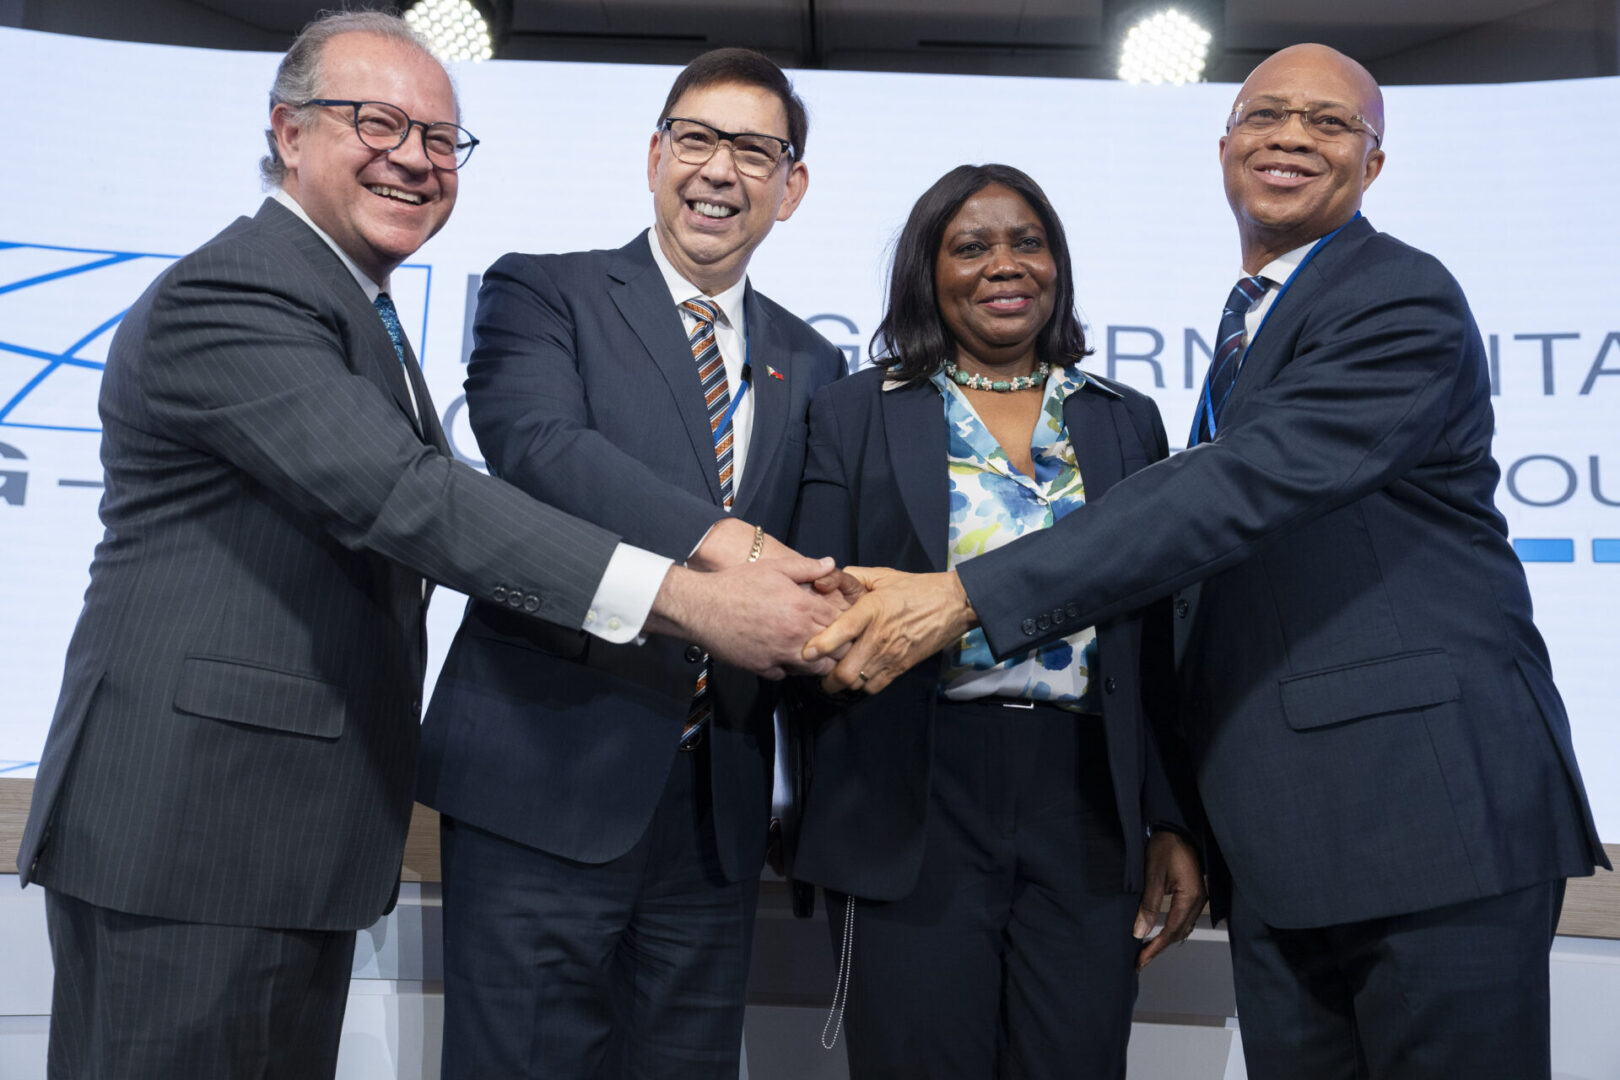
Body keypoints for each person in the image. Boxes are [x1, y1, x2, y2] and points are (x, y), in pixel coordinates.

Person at [15, 15, 842, 1080]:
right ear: (288, 131)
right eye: (376, 122)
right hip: (194, 832)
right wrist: (696, 595)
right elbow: (409, 497)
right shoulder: (242, 292)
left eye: (440, 138)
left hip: (290, 839)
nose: (413, 156)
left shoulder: (358, 311)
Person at [805, 45, 1608, 1080]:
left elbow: (1233, 494)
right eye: (1266, 115)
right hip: (1287, 839)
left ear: (1374, 164)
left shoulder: (1392, 298)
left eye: (1328, 125)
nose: (1290, 138)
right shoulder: (1252, 329)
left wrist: (969, 594)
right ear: (1226, 144)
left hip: (1420, 817)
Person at [415, 48, 844, 1079]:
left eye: (754, 150)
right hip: (543, 780)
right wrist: (733, 547)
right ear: (655, 156)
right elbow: (542, 450)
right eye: (696, 139)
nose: (718, 170)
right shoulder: (543, 292)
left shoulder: (817, 362)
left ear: (791, 189)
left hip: (715, 816)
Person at [784, 164, 1204, 1080]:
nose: (1004, 265)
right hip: (913, 786)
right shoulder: (855, 411)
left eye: (1028, 242)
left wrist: (1171, 819)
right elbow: (817, 601)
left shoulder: (1126, 420)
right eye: (971, 247)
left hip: (1089, 792)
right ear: (927, 273)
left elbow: (1160, 641)